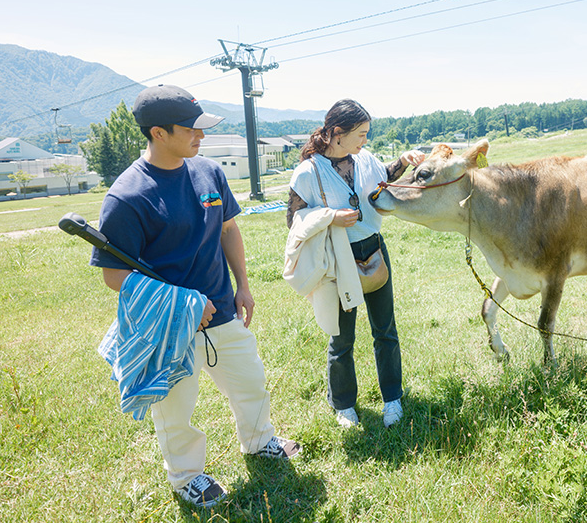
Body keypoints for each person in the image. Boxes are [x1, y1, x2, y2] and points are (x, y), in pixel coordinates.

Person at [90, 84, 300, 508]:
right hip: (168, 325)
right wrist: (181, 303)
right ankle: (187, 476)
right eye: (190, 129)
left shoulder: (208, 172)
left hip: (222, 308)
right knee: (173, 407)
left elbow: (228, 229)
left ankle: (259, 442)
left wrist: (242, 284)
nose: (200, 137)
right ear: (158, 133)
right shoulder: (127, 196)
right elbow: (115, 274)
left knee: (251, 383)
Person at [287, 99, 424, 428]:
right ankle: (344, 405)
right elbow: (293, 218)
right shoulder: (309, 171)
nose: (365, 140)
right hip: (338, 259)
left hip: (374, 249)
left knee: (385, 330)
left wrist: (403, 162)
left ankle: (393, 398)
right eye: (360, 133)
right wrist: (330, 217)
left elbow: (383, 178)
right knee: (342, 337)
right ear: (337, 133)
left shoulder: (365, 159)